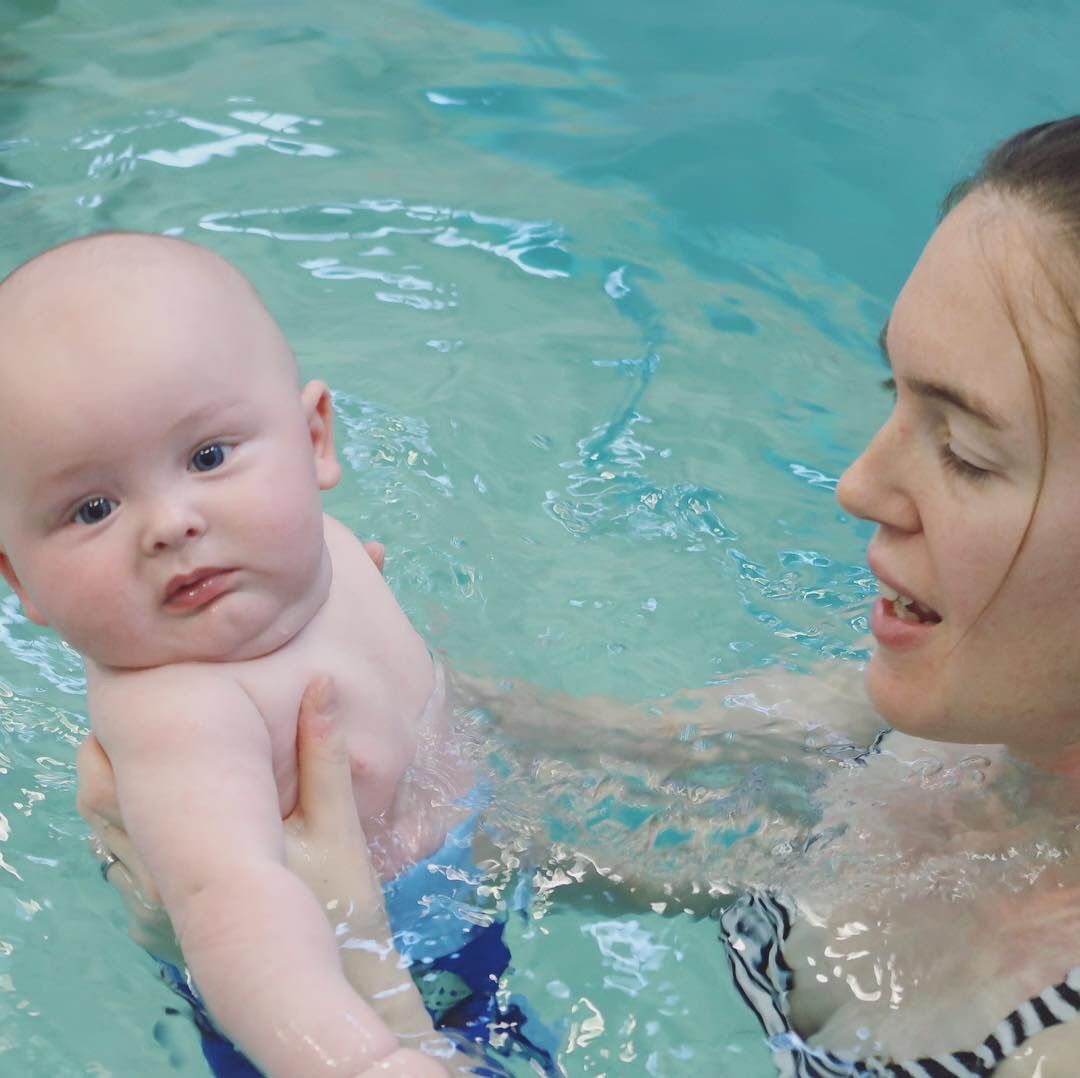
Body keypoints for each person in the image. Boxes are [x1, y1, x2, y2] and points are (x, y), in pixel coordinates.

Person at [80, 115, 1080, 1078]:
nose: (859, 484)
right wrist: (324, 714)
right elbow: (558, 782)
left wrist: (366, 978)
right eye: (892, 397)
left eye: (964, 450)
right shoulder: (954, 726)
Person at [0, 231, 527, 1078]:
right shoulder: (178, 708)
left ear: (314, 438)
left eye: (208, 456)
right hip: (304, 1013)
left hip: (465, 897)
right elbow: (232, 906)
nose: (169, 523)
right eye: (92, 508)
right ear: (18, 580)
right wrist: (364, 1060)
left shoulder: (337, 556)